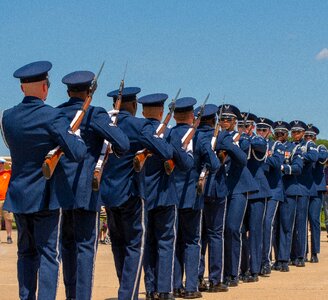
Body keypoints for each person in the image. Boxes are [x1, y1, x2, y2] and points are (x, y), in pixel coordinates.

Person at [0, 61, 87, 300]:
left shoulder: (8, 117)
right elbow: (77, 152)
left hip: (19, 195)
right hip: (46, 196)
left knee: (25, 254)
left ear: (22, 89)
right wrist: (73, 135)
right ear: (45, 88)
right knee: (49, 255)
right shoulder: (52, 115)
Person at [52, 70, 130, 300]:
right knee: (86, 249)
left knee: (66, 247)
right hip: (86, 192)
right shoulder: (95, 114)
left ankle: (71, 296)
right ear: (89, 92)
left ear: (68, 92)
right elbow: (123, 144)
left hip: (60, 192)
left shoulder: (56, 113)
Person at [101, 87, 172, 300]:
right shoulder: (137, 125)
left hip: (108, 194)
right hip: (131, 193)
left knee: (118, 245)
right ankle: (128, 294)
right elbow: (166, 152)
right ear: (133, 106)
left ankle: (124, 289)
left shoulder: (103, 123)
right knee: (135, 246)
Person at [139, 93, 192, 300]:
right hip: (165, 195)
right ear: (161, 113)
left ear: (143, 112)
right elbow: (186, 164)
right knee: (165, 243)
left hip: (144, 195)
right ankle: (165, 289)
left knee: (148, 244)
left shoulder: (139, 132)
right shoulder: (170, 135)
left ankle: (150, 288)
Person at [197, 104, 244, 293]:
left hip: (197, 191)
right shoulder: (224, 136)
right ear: (215, 120)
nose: (224, 122)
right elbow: (241, 159)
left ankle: (196, 278)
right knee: (215, 235)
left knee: (198, 237)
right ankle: (215, 279)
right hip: (216, 190)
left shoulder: (195, 135)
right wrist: (228, 147)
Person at [217, 104, 257, 287]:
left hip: (239, 188)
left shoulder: (243, 139)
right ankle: (224, 271)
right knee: (221, 231)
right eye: (222, 119)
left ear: (235, 122)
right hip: (220, 188)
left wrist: (230, 145)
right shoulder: (215, 137)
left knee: (234, 228)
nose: (224, 122)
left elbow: (242, 159)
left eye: (228, 119)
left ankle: (236, 271)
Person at [241, 117, 273, 283]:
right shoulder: (237, 139)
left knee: (255, 231)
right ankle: (243, 267)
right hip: (241, 190)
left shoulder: (258, 140)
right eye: (241, 125)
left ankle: (255, 268)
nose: (244, 128)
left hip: (258, 191)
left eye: (246, 125)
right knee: (240, 231)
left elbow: (259, 146)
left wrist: (246, 136)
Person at [290, 120, 318, 267]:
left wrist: (301, 156)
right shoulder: (289, 146)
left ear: (303, 134)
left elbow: (314, 156)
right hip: (290, 187)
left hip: (303, 187)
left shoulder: (308, 145)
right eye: (293, 132)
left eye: (298, 132)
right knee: (291, 223)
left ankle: (301, 255)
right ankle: (293, 254)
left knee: (301, 222)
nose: (295, 134)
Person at [261, 121, 285, 275]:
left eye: (264, 129)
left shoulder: (277, 146)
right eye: (259, 129)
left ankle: (266, 260)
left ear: (269, 131)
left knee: (267, 224)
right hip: (259, 190)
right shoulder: (254, 143)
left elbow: (277, 162)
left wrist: (261, 155)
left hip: (273, 190)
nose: (261, 131)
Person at [306, 125, 327, 262]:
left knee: (314, 220)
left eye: (311, 136)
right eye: (306, 136)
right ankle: (302, 252)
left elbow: (323, 158)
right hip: (303, 189)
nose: (308, 139)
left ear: (315, 137)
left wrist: (310, 152)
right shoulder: (300, 148)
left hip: (316, 190)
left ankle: (314, 252)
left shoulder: (321, 148)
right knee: (301, 222)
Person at [0, 157, 13, 244]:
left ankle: (9, 236)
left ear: (3, 164)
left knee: (8, 219)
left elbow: (16, 169)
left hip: (6, 199)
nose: (0, 165)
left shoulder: (8, 173)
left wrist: (9, 164)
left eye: (1, 163)